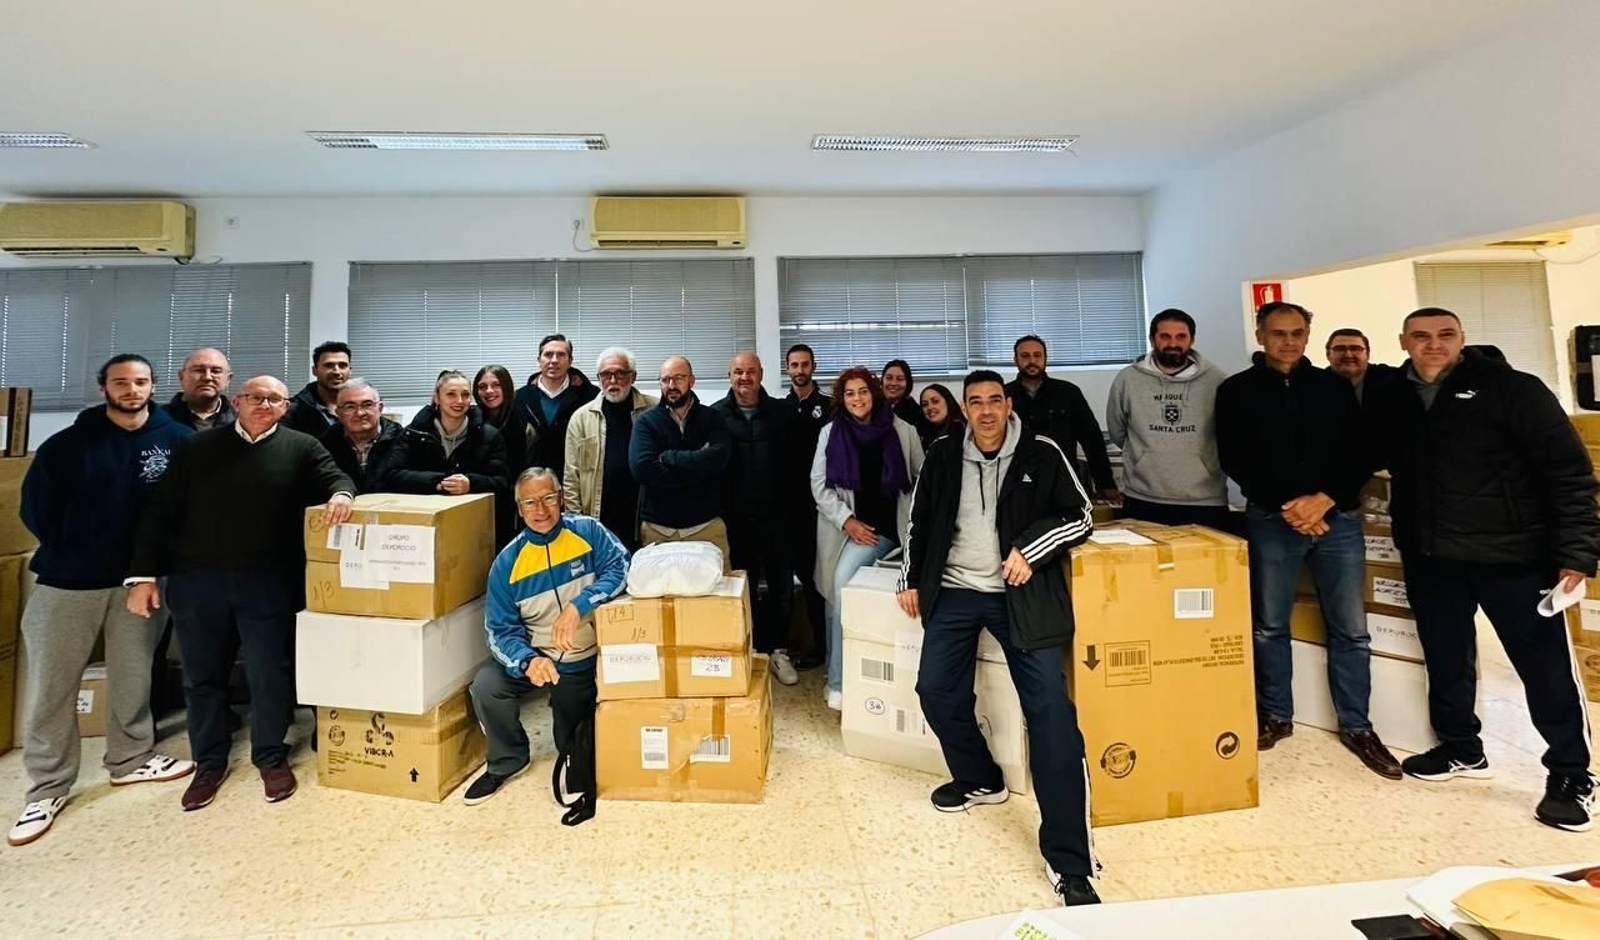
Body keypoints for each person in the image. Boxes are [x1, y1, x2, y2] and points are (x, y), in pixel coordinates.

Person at [1368, 308, 1599, 831]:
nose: (1433, 345)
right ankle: (1460, 748)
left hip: (1513, 559)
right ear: (1403, 340)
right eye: (1422, 336)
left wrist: (1578, 554)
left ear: (1462, 340)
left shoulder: (1513, 389)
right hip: (1432, 558)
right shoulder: (1394, 397)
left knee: (1543, 671)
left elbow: (1569, 473)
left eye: (1445, 335)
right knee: (1447, 660)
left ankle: (1572, 773)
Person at [897, 369, 1100, 907]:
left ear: (1008, 404)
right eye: (974, 402)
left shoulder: (1041, 451)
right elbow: (918, 522)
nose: (985, 411)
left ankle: (1071, 863)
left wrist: (1031, 549)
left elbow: (1081, 514)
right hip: (956, 591)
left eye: (994, 400)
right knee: (936, 690)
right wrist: (911, 578)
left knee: (1052, 714)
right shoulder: (942, 454)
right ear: (963, 409)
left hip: (1022, 596)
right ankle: (980, 778)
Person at [125, 375, 354, 811]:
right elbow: (160, 513)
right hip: (197, 581)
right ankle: (209, 762)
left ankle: (270, 754)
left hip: (266, 581)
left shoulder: (301, 446)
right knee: (202, 676)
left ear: (286, 406)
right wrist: (142, 575)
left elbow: (336, 476)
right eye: (255, 397)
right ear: (238, 401)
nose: (264, 404)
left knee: (269, 672)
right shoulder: (197, 447)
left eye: (274, 399)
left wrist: (342, 494)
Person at [7, 355, 196, 848]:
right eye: (120, 382)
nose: (131, 390)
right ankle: (47, 785)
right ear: (103, 387)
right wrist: (79, 550)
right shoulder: (67, 446)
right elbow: (37, 509)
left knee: (133, 674)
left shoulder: (177, 440)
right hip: (68, 581)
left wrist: (150, 569)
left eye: (140, 382)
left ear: (153, 386)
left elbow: (183, 510)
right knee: (52, 685)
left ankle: (129, 760)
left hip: (143, 583)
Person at [1216, 302, 1400, 779]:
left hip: (1336, 520)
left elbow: (1360, 452)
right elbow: (1236, 458)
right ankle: (1276, 716)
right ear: (1260, 335)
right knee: (1269, 625)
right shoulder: (1236, 391)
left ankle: (1357, 726)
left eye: (1298, 333)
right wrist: (1293, 508)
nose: (1289, 342)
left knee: (1351, 630)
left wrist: (1323, 501)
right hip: (1273, 520)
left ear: (1308, 335)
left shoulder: (1332, 387)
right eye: (1278, 333)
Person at [465, 468, 629, 809]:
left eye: (548, 499)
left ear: (561, 499)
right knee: (486, 686)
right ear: (519, 508)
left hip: (582, 655)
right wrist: (528, 660)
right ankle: (508, 759)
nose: (541, 511)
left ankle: (573, 749)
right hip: (536, 656)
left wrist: (579, 605)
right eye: (530, 503)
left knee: (573, 751)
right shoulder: (506, 563)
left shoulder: (587, 531)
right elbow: (499, 631)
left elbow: (622, 566)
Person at [811, 367, 923, 709]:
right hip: (846, 531)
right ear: (841, 399)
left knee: (842, 588)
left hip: (888, 532)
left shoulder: (903, 430)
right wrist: (848, 522)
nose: (857, 398)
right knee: (836, 598)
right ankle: (838, 680)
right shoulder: (831, 433)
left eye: (863, 391)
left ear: (873, 393)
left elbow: (922, 478)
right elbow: (819, 485)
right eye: (849, 393)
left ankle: (839, 683)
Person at [711, 352, 800, 687]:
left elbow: (799, 465)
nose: (744, 377)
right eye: (737, 371)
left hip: (779, 517)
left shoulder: (783, 414)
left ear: (761, 374)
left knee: (780, 589)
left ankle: (777, 649)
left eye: (750, 371)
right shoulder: (715, 416)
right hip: (736, 520)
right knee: (741, 588)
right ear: (729, 375)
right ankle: (747, 648)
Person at [1105, 309, 1230, 529]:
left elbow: (1228, 436)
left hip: (1205, 500)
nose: (1173, 343)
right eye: (1165, 336)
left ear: (1192, 339)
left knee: (1203, 564)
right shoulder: (1128, 379)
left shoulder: (1217, 380)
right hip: (1143, 498)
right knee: (1144, 564)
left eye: (1181, 337)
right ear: (1153, 339)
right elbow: (1117, 432)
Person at [629, 356, 733, 562]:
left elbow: (720, 460)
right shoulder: (646, 422)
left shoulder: (712, 418)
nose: (671, 386)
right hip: (658, 530)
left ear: (691, 380)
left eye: (678, 378)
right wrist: (698, 467)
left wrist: (668, 457)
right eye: (665, 380)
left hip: (707, 527)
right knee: (659, 593)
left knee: (720, 592)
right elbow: (641, 469)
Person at [391, 370, 512, 546]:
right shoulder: (413, 433)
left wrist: (471, 483)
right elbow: (391, 475)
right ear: (437, 398)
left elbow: (502, 482)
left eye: (465, 395)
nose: (459, 401)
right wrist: (438, 482)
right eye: (451, 394)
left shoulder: (490, 436)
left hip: (471, 529)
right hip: (421, 530)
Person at [563, 348, 655, 550]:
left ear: (633, 376)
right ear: (598, 378)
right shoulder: (581, 418)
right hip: (598, 521)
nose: (613, 380)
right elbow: (571, 477)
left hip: (645, 520)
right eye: (606, 374)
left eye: (620, 373)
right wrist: (579, 525)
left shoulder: (654, 411)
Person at [1006, 335, 1118, 501]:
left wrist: (1105, 483)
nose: (1032, 361)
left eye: (1037, 355)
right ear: (1015, 360)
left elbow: (1092, 441)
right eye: (1025, 356)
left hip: (1064, 480)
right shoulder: (1003, 396)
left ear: (1045, 359)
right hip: (1017, 483)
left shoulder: (1068, 393)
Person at [783, 344, 832, 670]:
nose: (800, 370)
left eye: (804, 364)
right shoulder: (780, 407)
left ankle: (827, 649)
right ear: (787, 369)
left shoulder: (830, 406)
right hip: (791, 507)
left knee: (821, 581)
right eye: (794, 365)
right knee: (798, 576)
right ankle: (801, 645)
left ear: (813, 366)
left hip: (826, 506)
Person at [512, 334, 598, 483]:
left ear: (570, 361)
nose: (554, 360)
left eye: (561, 355)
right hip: (532, 482)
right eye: (548, 355)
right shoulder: (519, 398)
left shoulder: (591, 397)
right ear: (539, 360)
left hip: (576, 481)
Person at [319, 379, 405, 494]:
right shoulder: (325, 446)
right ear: (338, 413)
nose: (360, 413)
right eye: (350, 407)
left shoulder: (403, 441)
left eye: (367, 405)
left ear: (380, 408)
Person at [283, 341, 351, 438]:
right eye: (329, 365)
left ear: (350, 370)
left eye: (342, 366)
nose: (337, 371)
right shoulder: (293, 410)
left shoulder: (363, 407)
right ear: (315, 370)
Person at [474, 364, 532, 475]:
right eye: (482, 387)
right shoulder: (471, 423)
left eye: (496, 385)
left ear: (507, 388)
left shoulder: (524, 426)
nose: (489, 391)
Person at [163, 347, 236, 431]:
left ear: (228, 379)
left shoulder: (243, 421)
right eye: (199, 370)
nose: (207, 377)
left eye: (215, 371)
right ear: (181, 376)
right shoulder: (156, 420)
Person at [1325, 328, 1400, 405]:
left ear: (1368, 354)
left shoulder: (1393, 381)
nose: (1348, 355)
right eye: (1340, 349)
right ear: (1327, 354)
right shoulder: (1316, 385)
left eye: (1356, 349)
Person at [881, 359, 925, 432]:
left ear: (908, 383)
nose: (893, 383)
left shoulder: (916, 413)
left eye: (900, 379)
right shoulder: (872, 406)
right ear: (882, 380)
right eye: (889, 378)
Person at [918, 383, 964, 448]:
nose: (930, 407)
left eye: (935, 401)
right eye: (925, 404)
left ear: (948, 402)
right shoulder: (922, 435)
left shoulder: (960, 430)